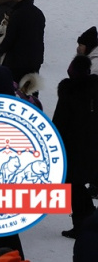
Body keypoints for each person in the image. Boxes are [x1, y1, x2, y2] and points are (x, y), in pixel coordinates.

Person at [52, 55, 98, 239]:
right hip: (92, 147)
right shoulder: (95, 90)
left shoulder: (68, 92)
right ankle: (88, 219)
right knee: (80, 186)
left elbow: (59, 123)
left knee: (72, 186)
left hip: (72, 149)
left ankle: (81, 224)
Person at [0, 0, 46, 83]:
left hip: (17, 59)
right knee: (30, 89)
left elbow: (10, 37)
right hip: (35, 58)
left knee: (14, 89)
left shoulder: (17, 14)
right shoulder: (39, 13)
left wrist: (1, 49)